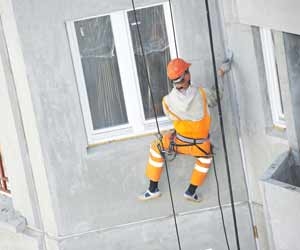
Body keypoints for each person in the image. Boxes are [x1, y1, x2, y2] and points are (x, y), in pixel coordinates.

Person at [138, 56, 232, 202]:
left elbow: (172, 117)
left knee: (155, 147)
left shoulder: (167, 101)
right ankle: (191, 191)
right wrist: (220, 73)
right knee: (205, 159)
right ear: (186, 76)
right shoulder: (202, 94)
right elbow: (217, 95)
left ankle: (152, 189)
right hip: (201, 146)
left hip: (179, 143)